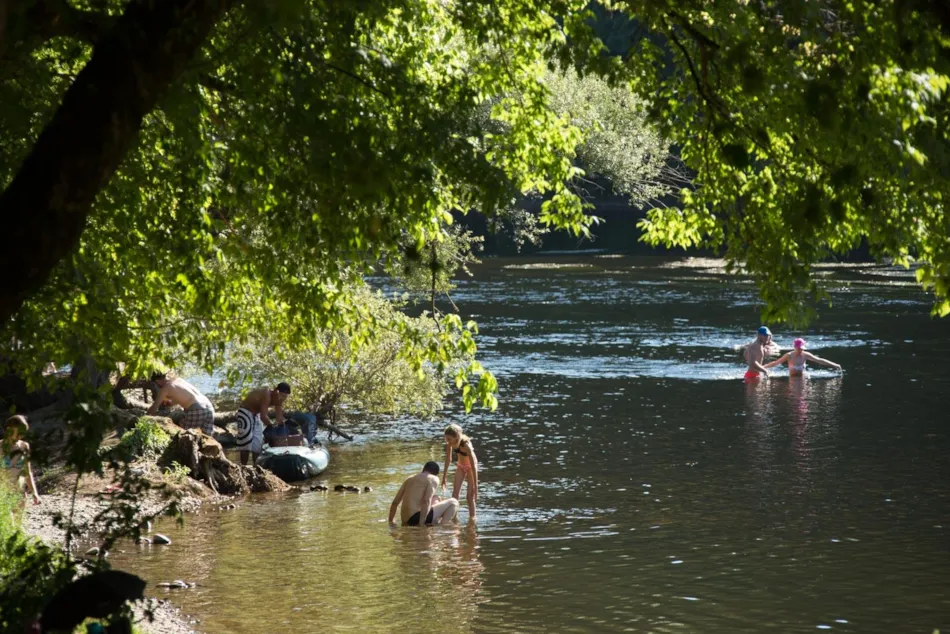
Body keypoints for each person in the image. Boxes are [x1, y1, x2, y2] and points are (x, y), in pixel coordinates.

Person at [389, 461, 459, 526]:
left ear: (423, 469)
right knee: (454, 502)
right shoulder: (433, 478)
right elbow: (426, 501)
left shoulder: (409, 478)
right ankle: (442, 528)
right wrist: (421, 525)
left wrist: (391, 521)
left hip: (405, 520)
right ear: (436, 474)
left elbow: (395, 502)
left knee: (436, 498)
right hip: (416, 519)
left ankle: (434, 523)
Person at [235, 383, 291, 465]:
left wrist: (281, 426)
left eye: (285, 397)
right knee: (246, 442)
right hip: (245, 411)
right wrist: (272, 427)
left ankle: (257, 467)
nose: (282, 399)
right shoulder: (266, 394)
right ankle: (243, 467)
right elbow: (263, 417)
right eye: (281, 396)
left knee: (258, 443)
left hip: (256, 415)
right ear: (276, 391)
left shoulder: (279, 400)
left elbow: (279, 418)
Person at [147, 373, 216, 435]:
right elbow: (183, 397)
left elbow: (154, 406)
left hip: (196, 410)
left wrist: (145, 417)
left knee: (184, 435)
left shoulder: (166, 388)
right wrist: (170, 403)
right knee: (206, 437)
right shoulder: (178, 380)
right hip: (208, 406)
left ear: (157, 381)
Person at [442, 423, 479, 521]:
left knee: (469, 497)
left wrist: (476, 486)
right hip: (460, 466)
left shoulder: (466, 445)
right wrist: (444, 477)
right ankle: (454, 518)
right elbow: (448, 459)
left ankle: (472, 520)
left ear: (457, 437)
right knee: (455, 495)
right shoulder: (450, 443)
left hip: (471, 467)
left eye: (449, 439)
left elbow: (474, 466)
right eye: (446, 438)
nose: (447, 441)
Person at [2, 416, 41, 505]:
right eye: (19, 432)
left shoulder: (24, 446)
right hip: (2, 494)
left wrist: (35, 493)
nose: (21, 435)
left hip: (20, 493)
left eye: (23, 432)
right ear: (9, 429)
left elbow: (27, 471)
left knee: (18, 519)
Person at [765, 338, 842, 376]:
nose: (800, 350)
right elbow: (775, 363)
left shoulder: (805, 355)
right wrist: (762, 367)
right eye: (799, 348)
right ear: (795, 347)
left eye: (802, 348)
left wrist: (835, 365)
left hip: (804, 378)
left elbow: (819, 360)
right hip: (793, 379)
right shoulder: (789, 356)